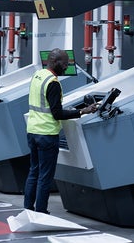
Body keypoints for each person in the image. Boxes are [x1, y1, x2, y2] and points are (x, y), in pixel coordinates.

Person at [24, 48, 98, 214]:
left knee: (34, 171)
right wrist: (82, 111)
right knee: (45, 175)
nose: (66, 67)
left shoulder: (38, 75)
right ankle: (41, 211)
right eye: (65, 64)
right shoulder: (53, 83)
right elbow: (56, 113)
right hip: (46, 134)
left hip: (32, 131)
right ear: (56, 62)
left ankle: (28, 209)